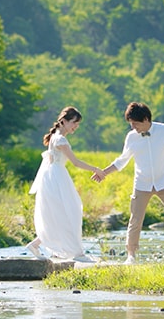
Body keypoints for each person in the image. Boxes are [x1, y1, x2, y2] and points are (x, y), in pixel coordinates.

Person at [92, 101, 164, 264]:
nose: (133, 127)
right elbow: (121, 161)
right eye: (131, 124)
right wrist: (103, 173)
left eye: (135, 123)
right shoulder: (131, 137)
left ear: (145, 119)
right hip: (142, 184)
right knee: (135, 220)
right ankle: (131, 256)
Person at [26, 106, 103, 261]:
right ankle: (75, 253)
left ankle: (36, 244)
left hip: (55, 176)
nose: (76, 126)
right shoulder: (60, 139)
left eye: (78, 124)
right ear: (63, 121)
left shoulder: (56, 136)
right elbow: (75, 162)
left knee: (62, 212)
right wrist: (96, 169)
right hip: (56, 178)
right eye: (74, 122)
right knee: (68, 212)